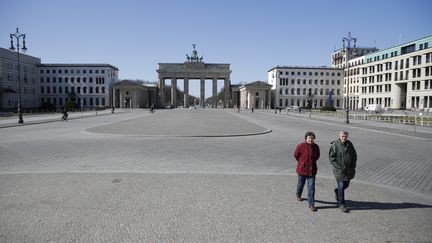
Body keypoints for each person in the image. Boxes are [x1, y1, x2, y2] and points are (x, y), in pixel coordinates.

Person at [329, 131, 357, 213]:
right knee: (341, 186)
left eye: (345, 136)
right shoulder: (335, 145)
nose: (344, 138)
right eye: (342, 136)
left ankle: (337, 191)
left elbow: (354, 155)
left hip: (349, 170)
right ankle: (341, 204)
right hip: (339, 171)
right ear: (339, 136)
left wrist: (353, 164)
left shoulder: (350, 144)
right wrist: (339, 167)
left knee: (346, 185)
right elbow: (332, 158)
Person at [294, 131, 320, 212]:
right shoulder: (301, 146)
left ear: (313, 139)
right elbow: (296, 155)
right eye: (309, 138)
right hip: (302, 170)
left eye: (312, 138)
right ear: (306, 138)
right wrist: (302, 163)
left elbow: (317, 156)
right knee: (300, 184)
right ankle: (298, 195)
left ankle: (311, 204)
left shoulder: (316, 146)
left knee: (311, 187)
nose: (310, 140)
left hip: (312, 170)